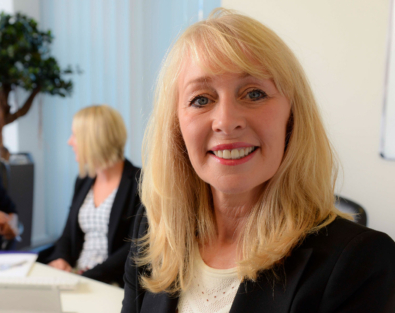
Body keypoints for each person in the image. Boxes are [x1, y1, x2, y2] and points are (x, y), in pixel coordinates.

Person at [121, 8, 395, 313]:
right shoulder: (156, 237)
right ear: (176, 128)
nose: (226, 121)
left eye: (254, 94)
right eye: (201, 99)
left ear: (292, 116)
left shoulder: (360, 260)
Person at [45, 105, 140, 286]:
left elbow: (135, 249)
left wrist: (87, 276)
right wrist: (61, 258)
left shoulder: (140, 182)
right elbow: (67, 234)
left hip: (112, 282)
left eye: (75, 136)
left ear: (95, 139)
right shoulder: (83, 181)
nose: (69, 142)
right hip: (77, 275)